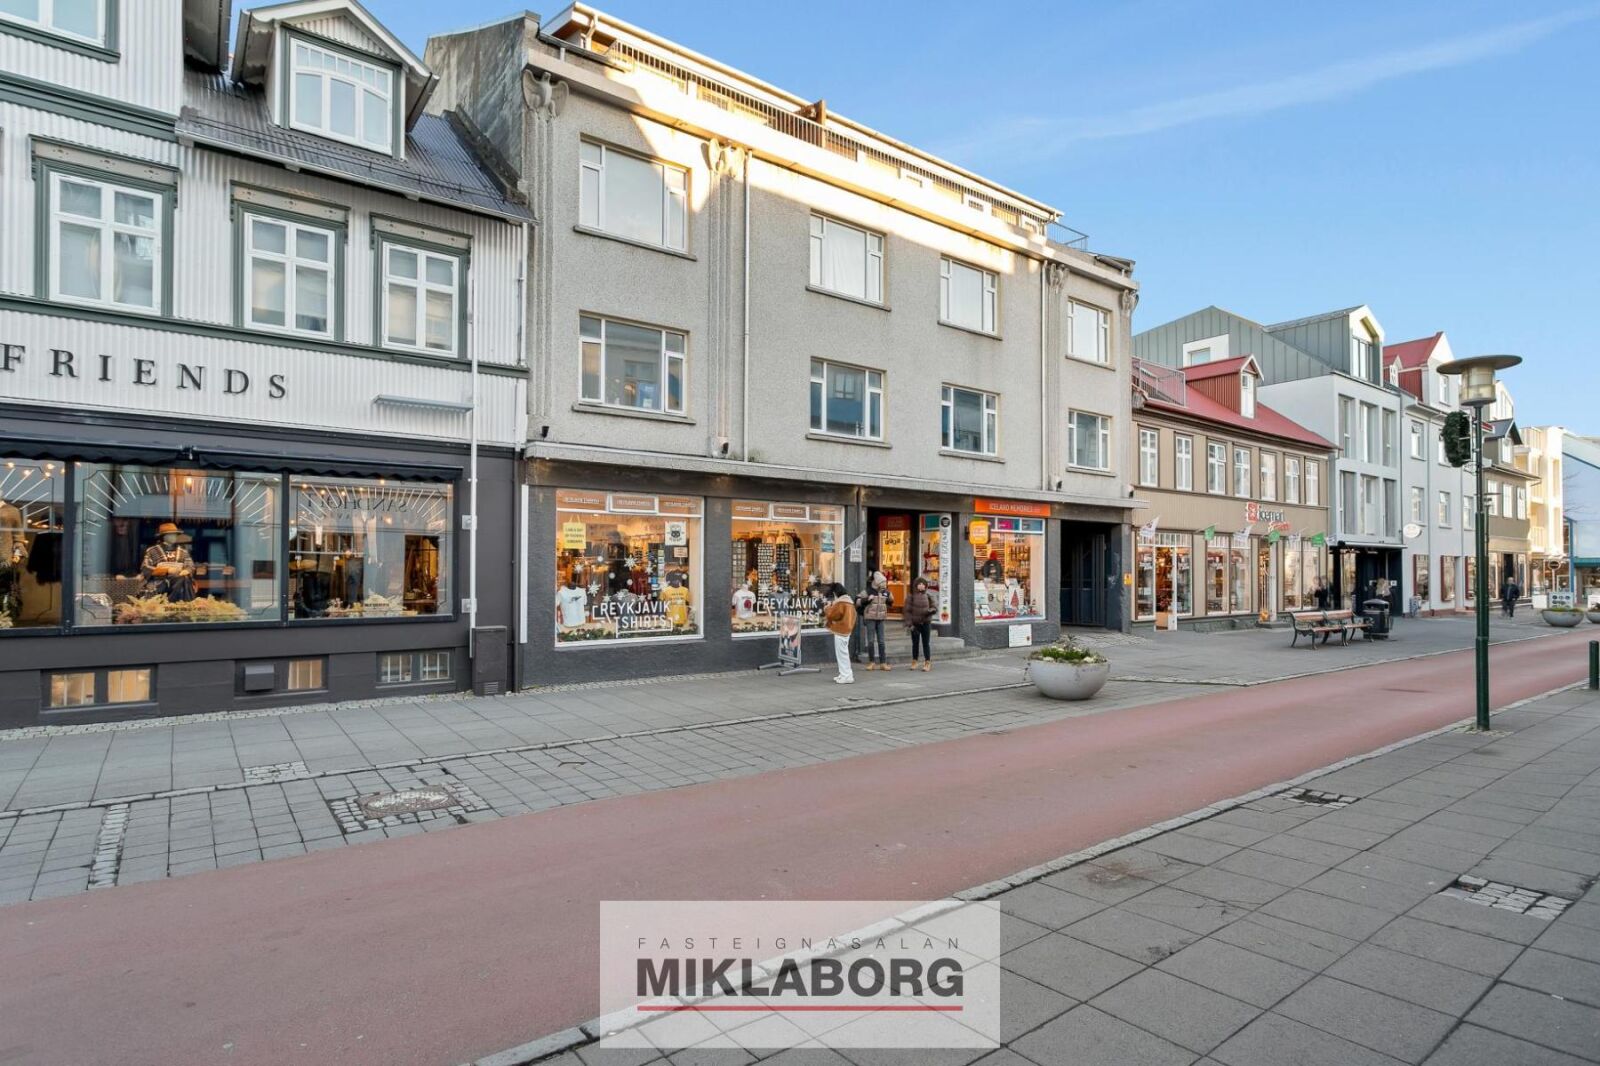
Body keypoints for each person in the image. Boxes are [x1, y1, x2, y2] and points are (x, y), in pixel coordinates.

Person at [140, 522, 195, 601]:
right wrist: (166, 571)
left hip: (180, 582)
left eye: (175, 534)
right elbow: (145, 568)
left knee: (183, 579)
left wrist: (186, 571)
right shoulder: (152, 550)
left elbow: (190, 566)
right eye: (171, 534)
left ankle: (173, 601)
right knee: (181, 580)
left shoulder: (183, 551)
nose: (174, 537)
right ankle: (186, 603)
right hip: (159, 584)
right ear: (164, 536)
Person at [823, 582, 857, 684]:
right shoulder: (849, 602)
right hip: (846, 630)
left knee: (841, 654)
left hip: (841, 631)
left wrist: (827, 608)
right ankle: (845, 674)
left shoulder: (841, 603)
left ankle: (846, 676)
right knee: (843, 653)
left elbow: (832, 615)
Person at [903, 576, 936, 672]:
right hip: (915, 624)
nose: (921, 586)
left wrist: (931, 610)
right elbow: (907, 611)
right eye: (919, 584)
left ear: (925, 586)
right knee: (915, 643)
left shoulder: (928, 596)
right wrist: (910, 624)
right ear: (916, 585)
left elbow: (934, 606)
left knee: (926, 643)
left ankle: (927, 662)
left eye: (923, 584)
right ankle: (914, 661)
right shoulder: (911, 596)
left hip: (926, 623)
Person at [860, 571, 891, 671]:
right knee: (870, 641)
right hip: (870, 619)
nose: (883, 584)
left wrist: (888, 598)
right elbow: (857, 601)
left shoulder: (885, 591)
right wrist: (867, 599)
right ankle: (871, 662)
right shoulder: (867, 591)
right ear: (877, 582)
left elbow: (891, 602)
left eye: (884, 582)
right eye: (882, 582)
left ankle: (883, 663)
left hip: (881, 619)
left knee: (881, 641)